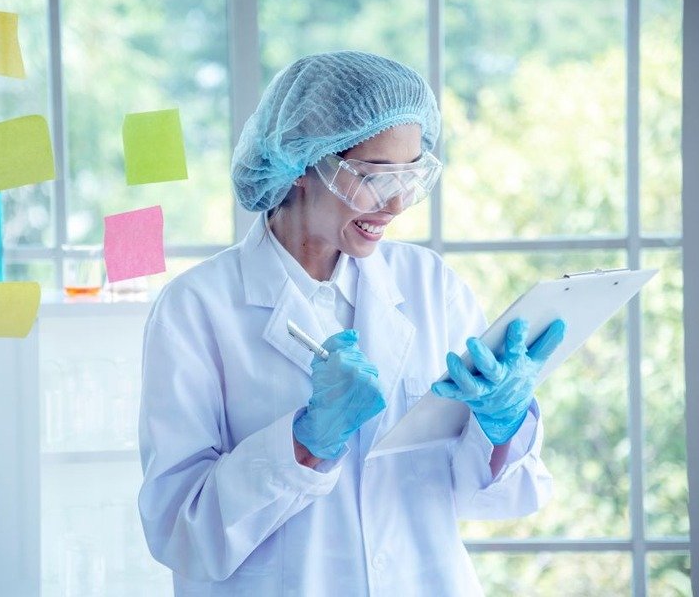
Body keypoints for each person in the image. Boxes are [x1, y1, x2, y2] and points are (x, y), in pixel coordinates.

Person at [138, 50, 565, 596]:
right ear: (298, 165)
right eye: (371, 176)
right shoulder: (196, 308)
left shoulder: (430, 284)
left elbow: (485, 498)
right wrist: (304, 441)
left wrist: (501, 430)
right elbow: (181, 532)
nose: (395, 203)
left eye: (411, 176)